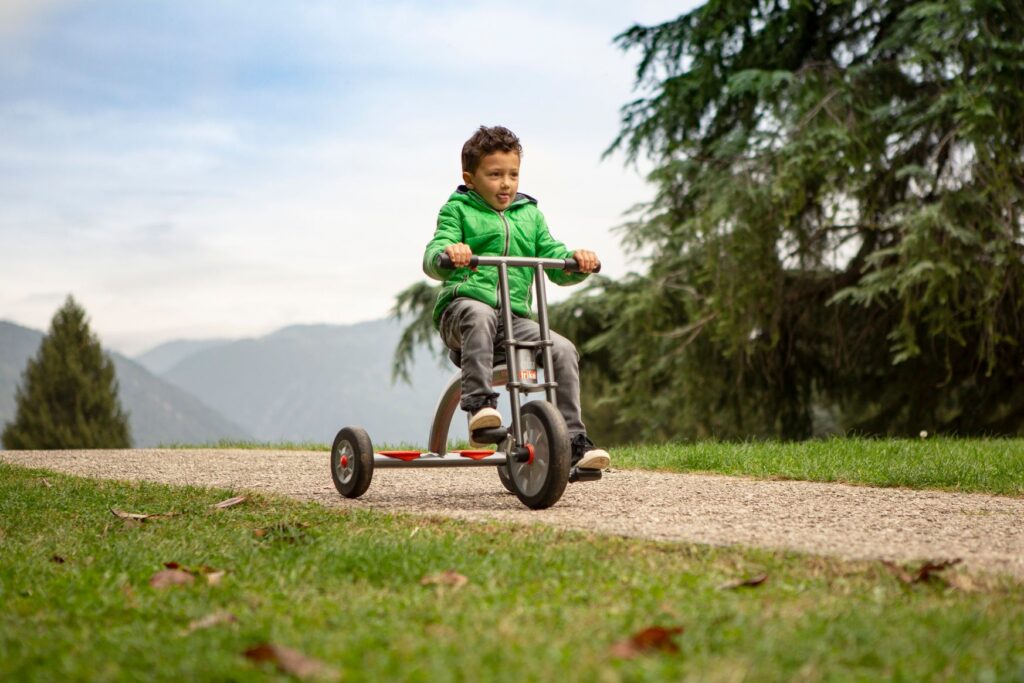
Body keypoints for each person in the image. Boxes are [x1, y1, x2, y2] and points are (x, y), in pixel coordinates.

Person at [422, 125, 611, 472]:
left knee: (563, 350)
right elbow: (434, 254)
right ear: (470, 177)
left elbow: (553, 259)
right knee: (479, 314)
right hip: (462, 315)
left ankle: (573, 440)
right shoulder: (457, 210)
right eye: (494, 175)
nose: (506, 183)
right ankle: (480, 406)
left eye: (513, 174)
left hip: (514, 322)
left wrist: (576, 262)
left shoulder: (531, 215)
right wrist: (449, 252)